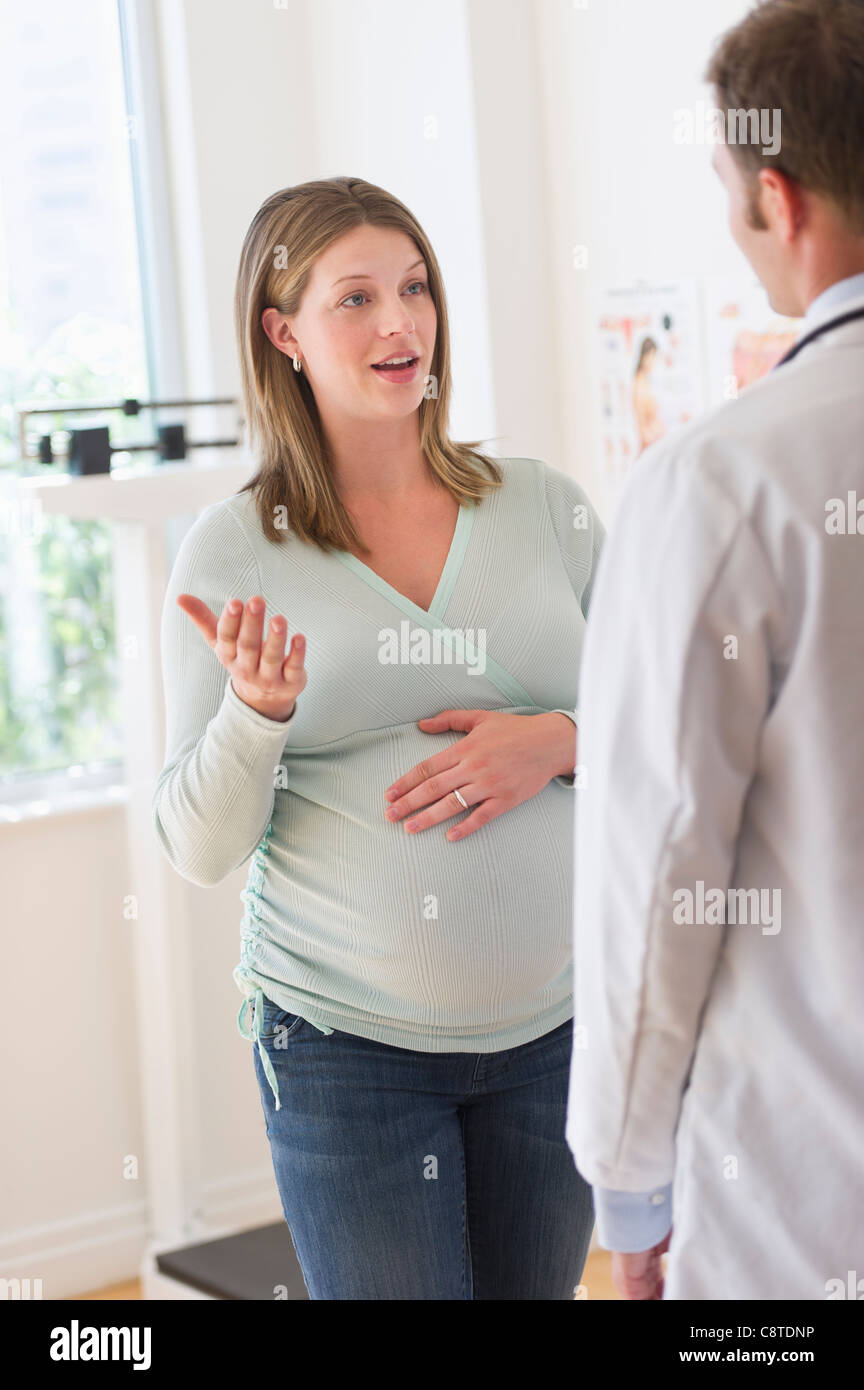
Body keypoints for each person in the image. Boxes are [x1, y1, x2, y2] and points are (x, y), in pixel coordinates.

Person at [153, 176, 604, 1299]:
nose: (399, 323)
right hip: (346, 1052)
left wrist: (555, 739)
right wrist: (257, 716)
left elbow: (670, 739)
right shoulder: (232, 552)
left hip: (557, 1031)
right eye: (354, 298)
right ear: (283, 333)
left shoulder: (547, 507)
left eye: (413, 288)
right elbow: (199, 849)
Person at [566, 0, 864, 1301]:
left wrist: (628, 1187)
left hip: (800, 1204)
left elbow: (661, 857)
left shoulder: (721, 481)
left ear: (779, 201)